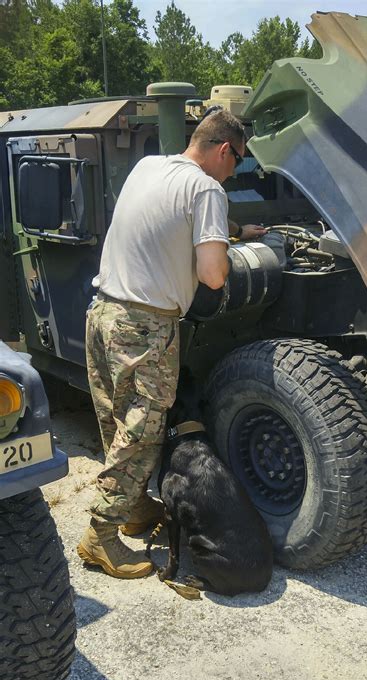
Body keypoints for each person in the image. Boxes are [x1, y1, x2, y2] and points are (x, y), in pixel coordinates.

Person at [77, 109, 266, 579]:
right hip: (146, 327)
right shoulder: (207, 188)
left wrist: (236, 231)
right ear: (225, 149)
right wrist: (228, 250)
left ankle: (136, 508)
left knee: (118, 423)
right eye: (238, 161)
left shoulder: (149, 167)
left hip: (102, 313)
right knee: (141, 433)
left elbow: (168, 224)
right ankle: (100, 538)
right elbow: (213, 274)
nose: (235, 170)